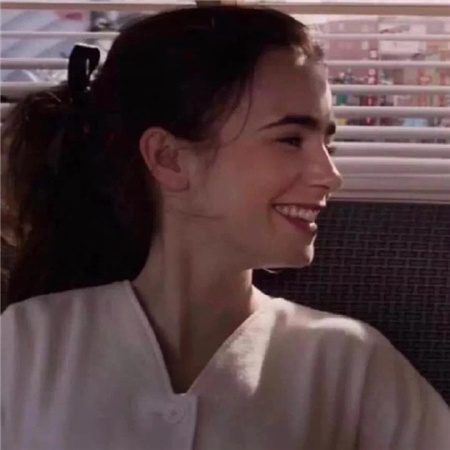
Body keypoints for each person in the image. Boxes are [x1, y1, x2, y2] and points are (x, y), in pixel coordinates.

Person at [1, 5, 449, 450]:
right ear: (169, 159)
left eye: (328, 145)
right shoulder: (27, 343)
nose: (330, 176)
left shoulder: (349, 364)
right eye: (291, 139)